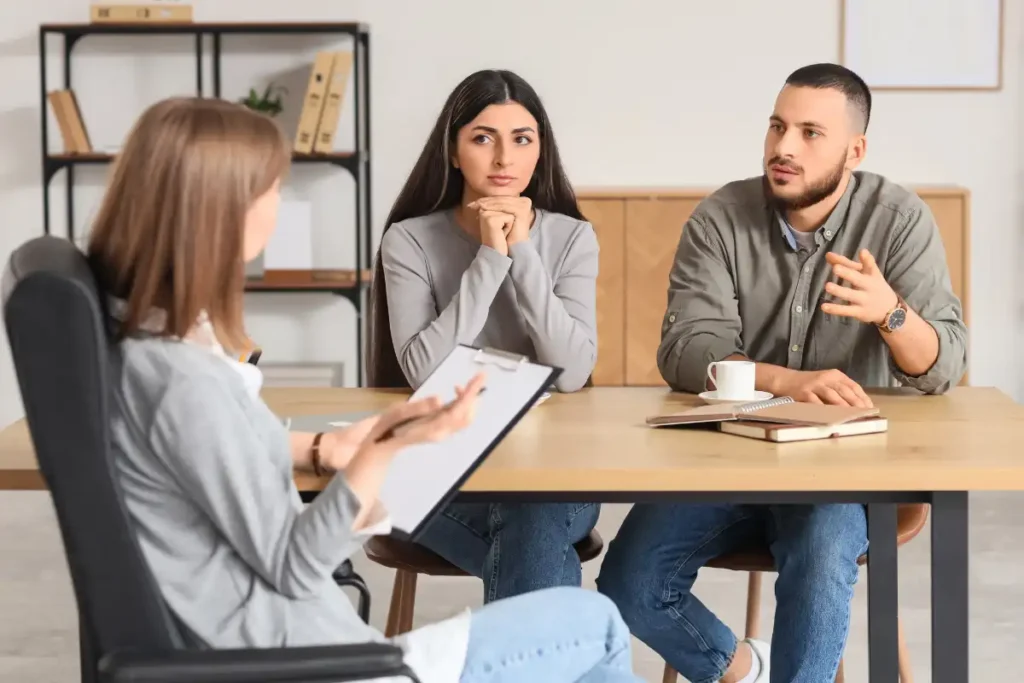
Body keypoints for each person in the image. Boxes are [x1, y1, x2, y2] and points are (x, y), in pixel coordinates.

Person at [86, 96, 643, 683]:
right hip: (333, 659)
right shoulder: (185, 380)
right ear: (218, 208)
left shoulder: (154, 353)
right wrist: (381, 454)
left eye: (522, 138)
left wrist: (324, 447)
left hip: (326, 637)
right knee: (594, 620)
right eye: (271, 188)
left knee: (559, 577)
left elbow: (215, 449)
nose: (278, 206)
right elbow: (294, 565)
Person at [597, 63, 967, 683]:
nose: (784, 147)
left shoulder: (899, 221)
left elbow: (944, 366)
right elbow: (686, 350)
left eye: (810, 133)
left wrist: (892, 313)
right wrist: (786, 382)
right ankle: (741, 668)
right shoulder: (721, 217)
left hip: (841, 474)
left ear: (855, 151)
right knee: (629, 581)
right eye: (777, 127)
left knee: (823, 549)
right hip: (724, 461)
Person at [368, 69, 600, 603]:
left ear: (540, 151)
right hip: (442, 468)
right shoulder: (409, 240)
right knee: (534, 536)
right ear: (453, 152)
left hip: (550, 467)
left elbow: (572, 373)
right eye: (482, 138)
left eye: (521, 139)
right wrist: (491, 257)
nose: (503, 159)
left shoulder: (572, 237)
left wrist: (523, 252)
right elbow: (424, 372)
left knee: (533, 515)